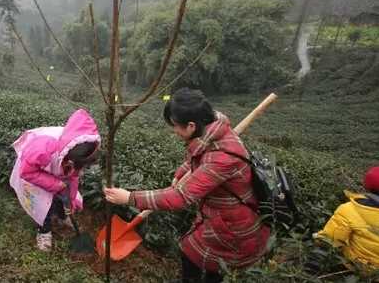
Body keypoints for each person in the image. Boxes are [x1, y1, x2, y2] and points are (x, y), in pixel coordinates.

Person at [104, 88, 270, 282]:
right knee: (196, 256)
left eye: (175, 126)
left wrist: (130, 197)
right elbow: (199, 155)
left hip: (235, 230)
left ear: (191, 126)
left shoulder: (222, 159)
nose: (174, 130)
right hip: (219, 218)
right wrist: (181, 172)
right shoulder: (210, 129)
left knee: (200, 260)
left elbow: (181, 197)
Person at [10, 109, 100, 251]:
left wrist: (70, 200)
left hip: (57, 167)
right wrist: (56, 184)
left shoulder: (82, 147)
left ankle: (62, 216)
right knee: (42, 204)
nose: (81, 169)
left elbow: (73, 178)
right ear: (70, 157)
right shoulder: (43, 148)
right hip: (31, 172)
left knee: (62, 195)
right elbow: (27, 172)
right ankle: (44, 231)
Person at [305, 166, 379, 274]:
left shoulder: (349, 209)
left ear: (367, 186)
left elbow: (329, 240)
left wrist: (309, 270)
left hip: (359, 270)